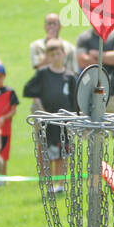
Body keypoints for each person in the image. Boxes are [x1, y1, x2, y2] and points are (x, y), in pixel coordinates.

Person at [21, 39, 75, 184]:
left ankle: (61, 183)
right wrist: (40, 108)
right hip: (47, 120)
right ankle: (47, 182)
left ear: (64, 54)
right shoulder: (43, 73)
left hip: (64, 120)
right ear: (48, 57)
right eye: (52, 55)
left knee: (62, 153)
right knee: (46, 151)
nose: (56, 57)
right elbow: (30, 90)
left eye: (58, 54)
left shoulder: (70, 76)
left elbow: (75, 99)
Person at [76, 25, 114, 114]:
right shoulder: (84, 38)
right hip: (90, 95)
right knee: (87, 126)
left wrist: (96, 54)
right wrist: (109, 59)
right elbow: (82, 61)